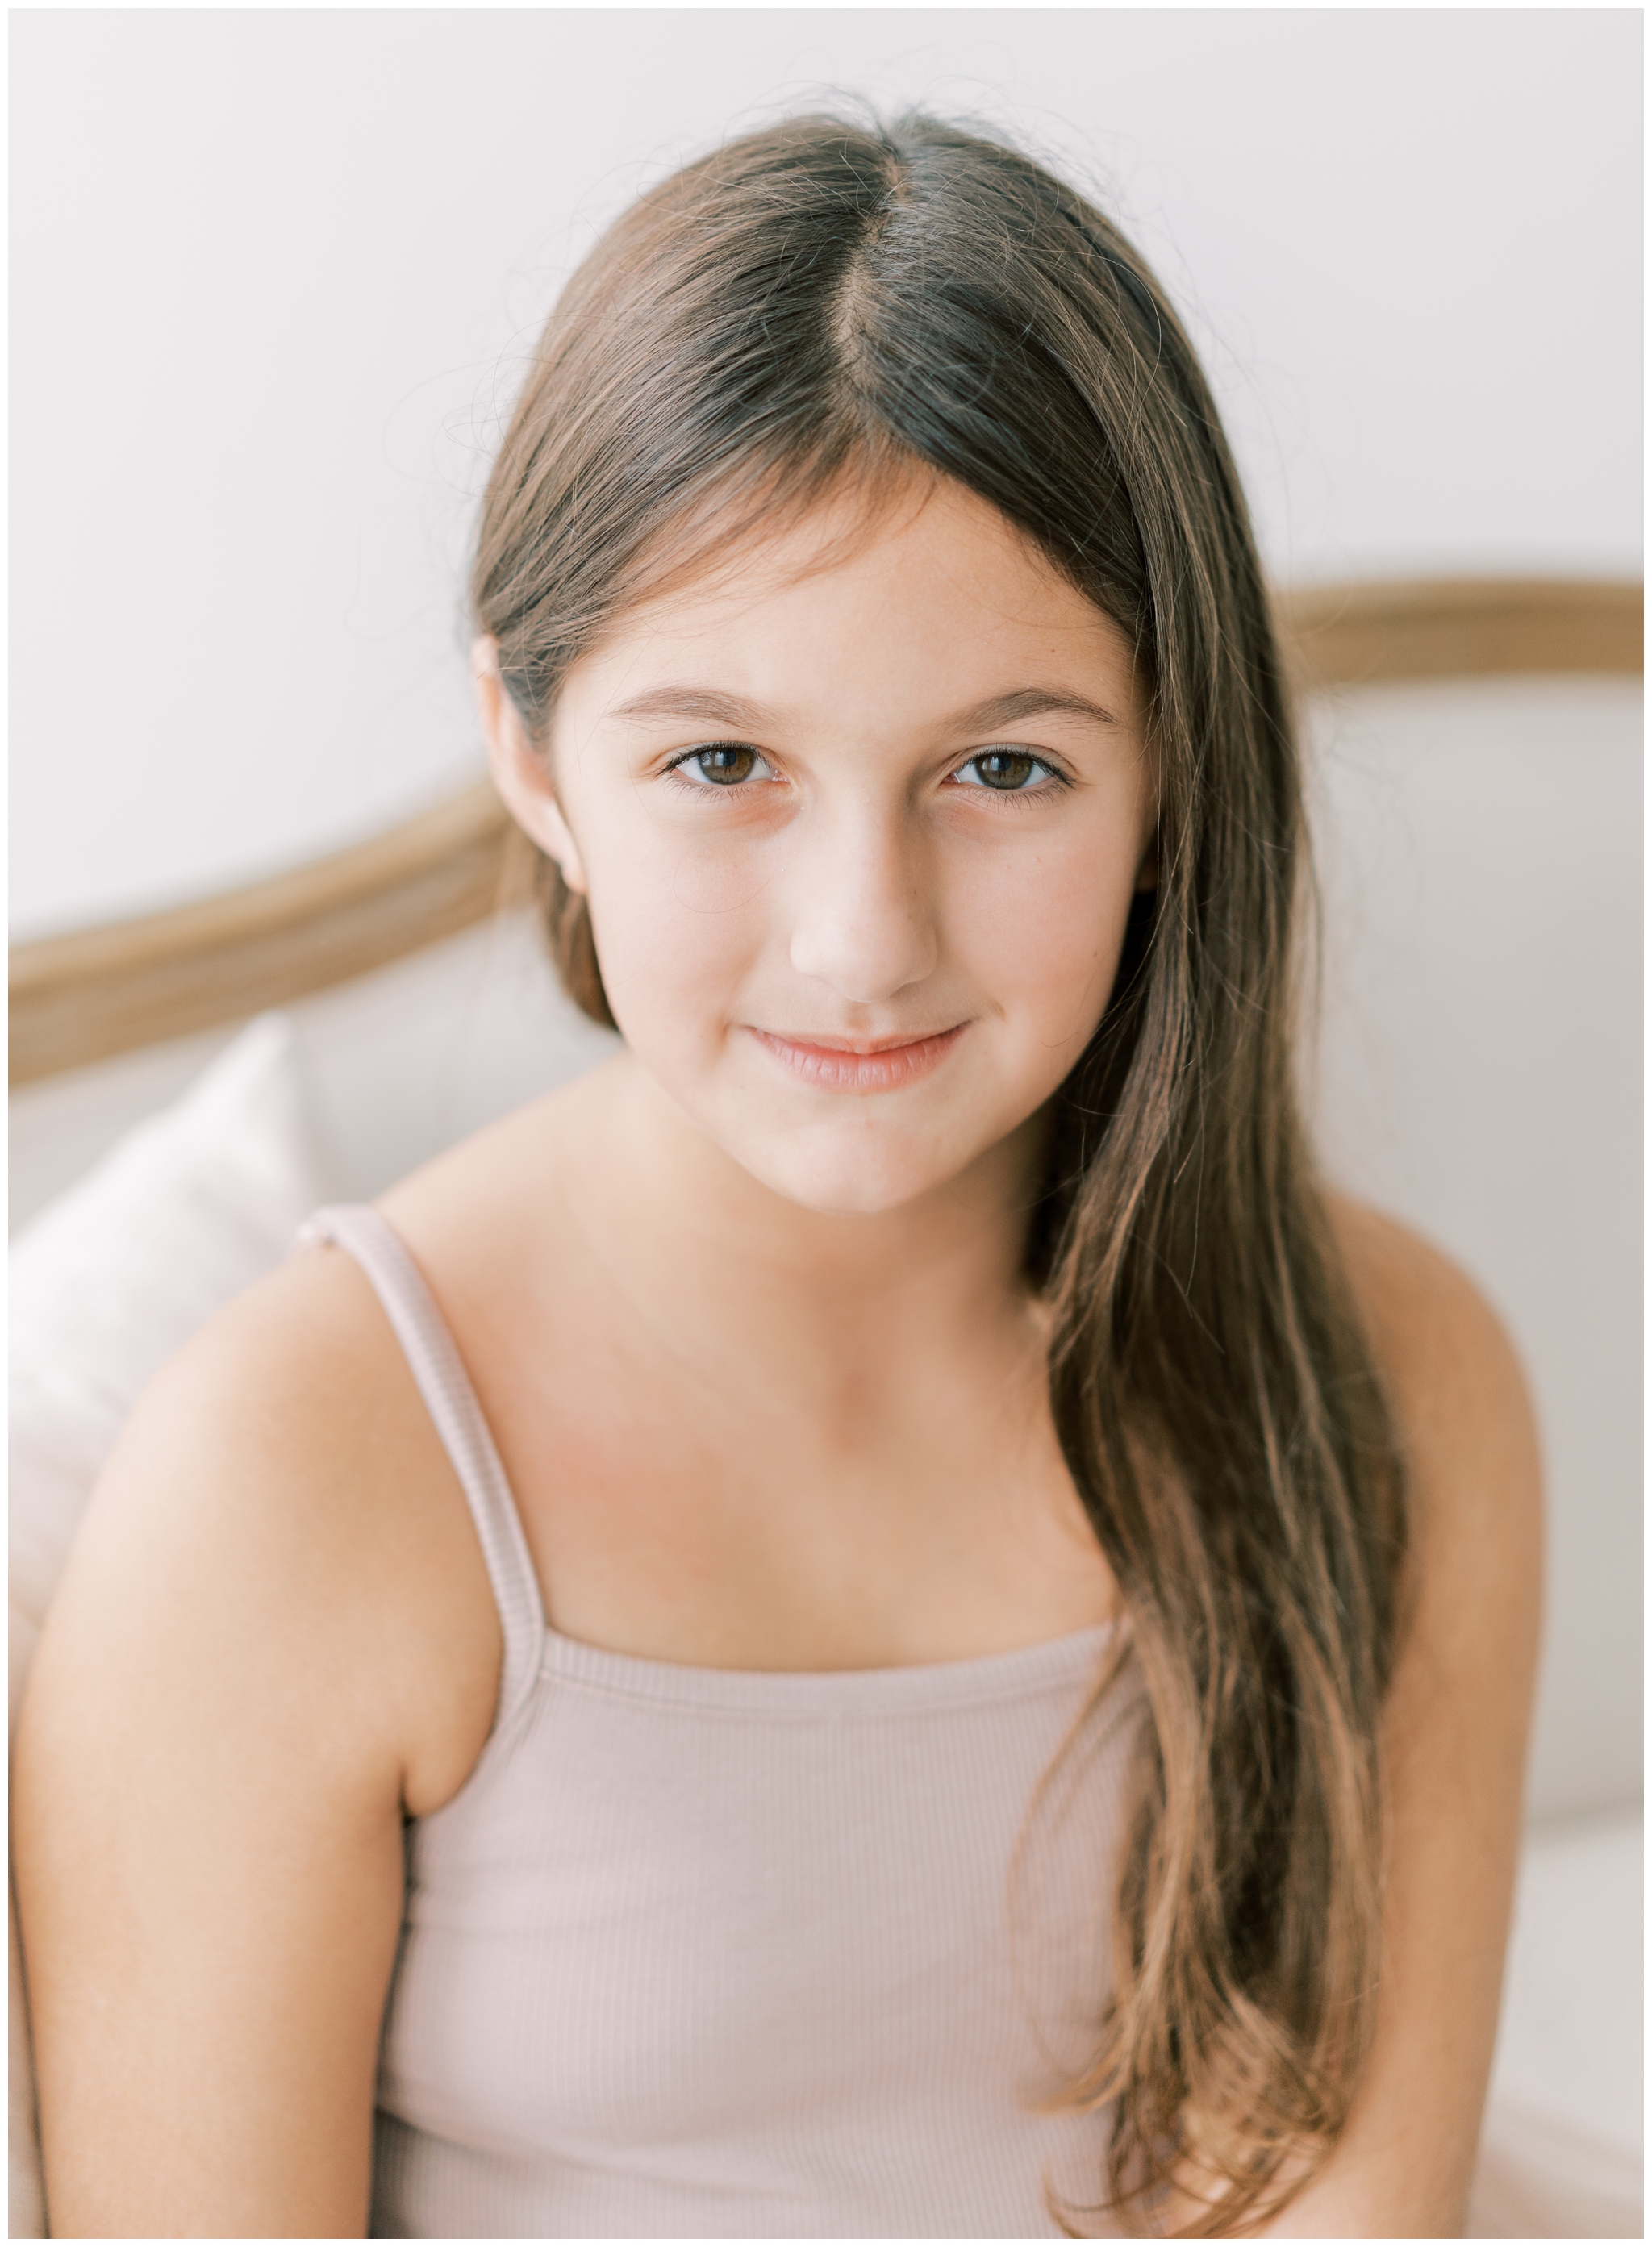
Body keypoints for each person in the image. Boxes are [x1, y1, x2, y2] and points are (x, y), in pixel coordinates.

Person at [13, 111, 1541, 2239]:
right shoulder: (299, 1479)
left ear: (1174, 765)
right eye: (721, 762)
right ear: (534, 758)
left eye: (1003, 767)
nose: (862, 934)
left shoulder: (1388, 1378)